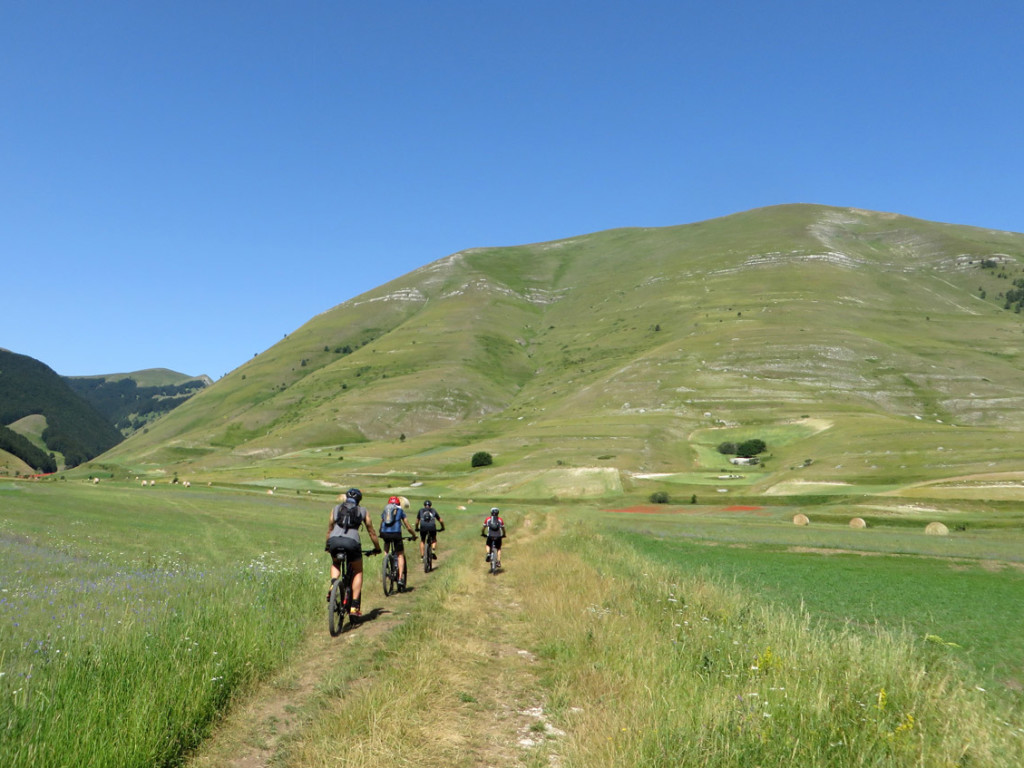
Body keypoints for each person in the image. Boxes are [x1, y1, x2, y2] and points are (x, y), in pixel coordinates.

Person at [325, 487, 381, 619]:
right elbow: (371, 532)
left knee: (336, 563)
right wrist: (377, 548)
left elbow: (329, 529)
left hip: (334, 540)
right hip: (352, 543)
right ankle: (355, 605)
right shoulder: (363, 511)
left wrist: (328, 546)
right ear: (359, 499)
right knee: (358, 571)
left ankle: (333, 584)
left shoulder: (336, 509)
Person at [379, 495, 416, 591]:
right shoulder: (400, 511)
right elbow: (407, 526)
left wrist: (381, 533)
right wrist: (413, 535)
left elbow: (381, 522)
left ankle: (385, 562)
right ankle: (400, 578)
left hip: (385, 533)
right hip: (396, 534)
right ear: (399, 504)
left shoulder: (385, 511)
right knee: (400, 555)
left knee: (386, 545)